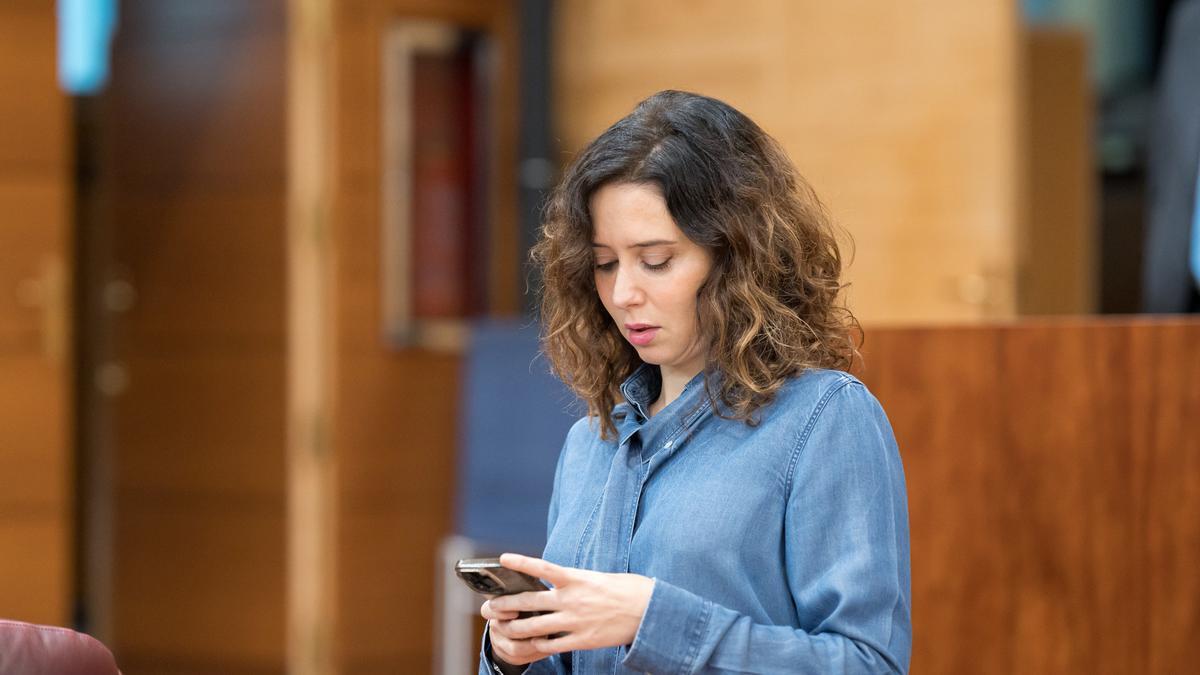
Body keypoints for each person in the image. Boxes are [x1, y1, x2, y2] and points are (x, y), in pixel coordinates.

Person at [478, 90, 911, 674]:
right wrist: (513, 656)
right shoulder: (591, 442)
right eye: (605, 263)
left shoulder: (824, 419)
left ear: (738, 257)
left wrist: (651, 622)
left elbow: (868, 664)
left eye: (656, 261)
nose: (624, 293)